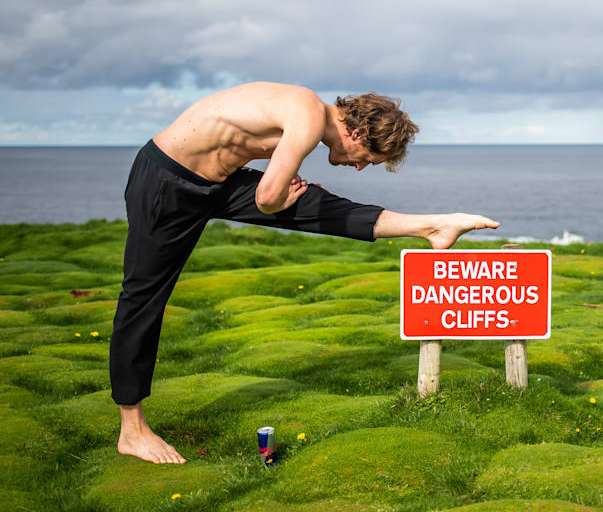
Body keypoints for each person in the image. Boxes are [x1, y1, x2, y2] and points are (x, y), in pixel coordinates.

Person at [110, 82, 499, 464]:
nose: (360, 166)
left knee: (312, 202)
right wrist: (278, 197)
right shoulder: (308, 114)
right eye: (367, 157)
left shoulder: (306, 111)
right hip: (167, 184)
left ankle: (429, 226)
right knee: (143, 299)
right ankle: (132, 430)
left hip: (217, 181)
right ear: (358, 132)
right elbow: (265, 200)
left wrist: (281, 196)